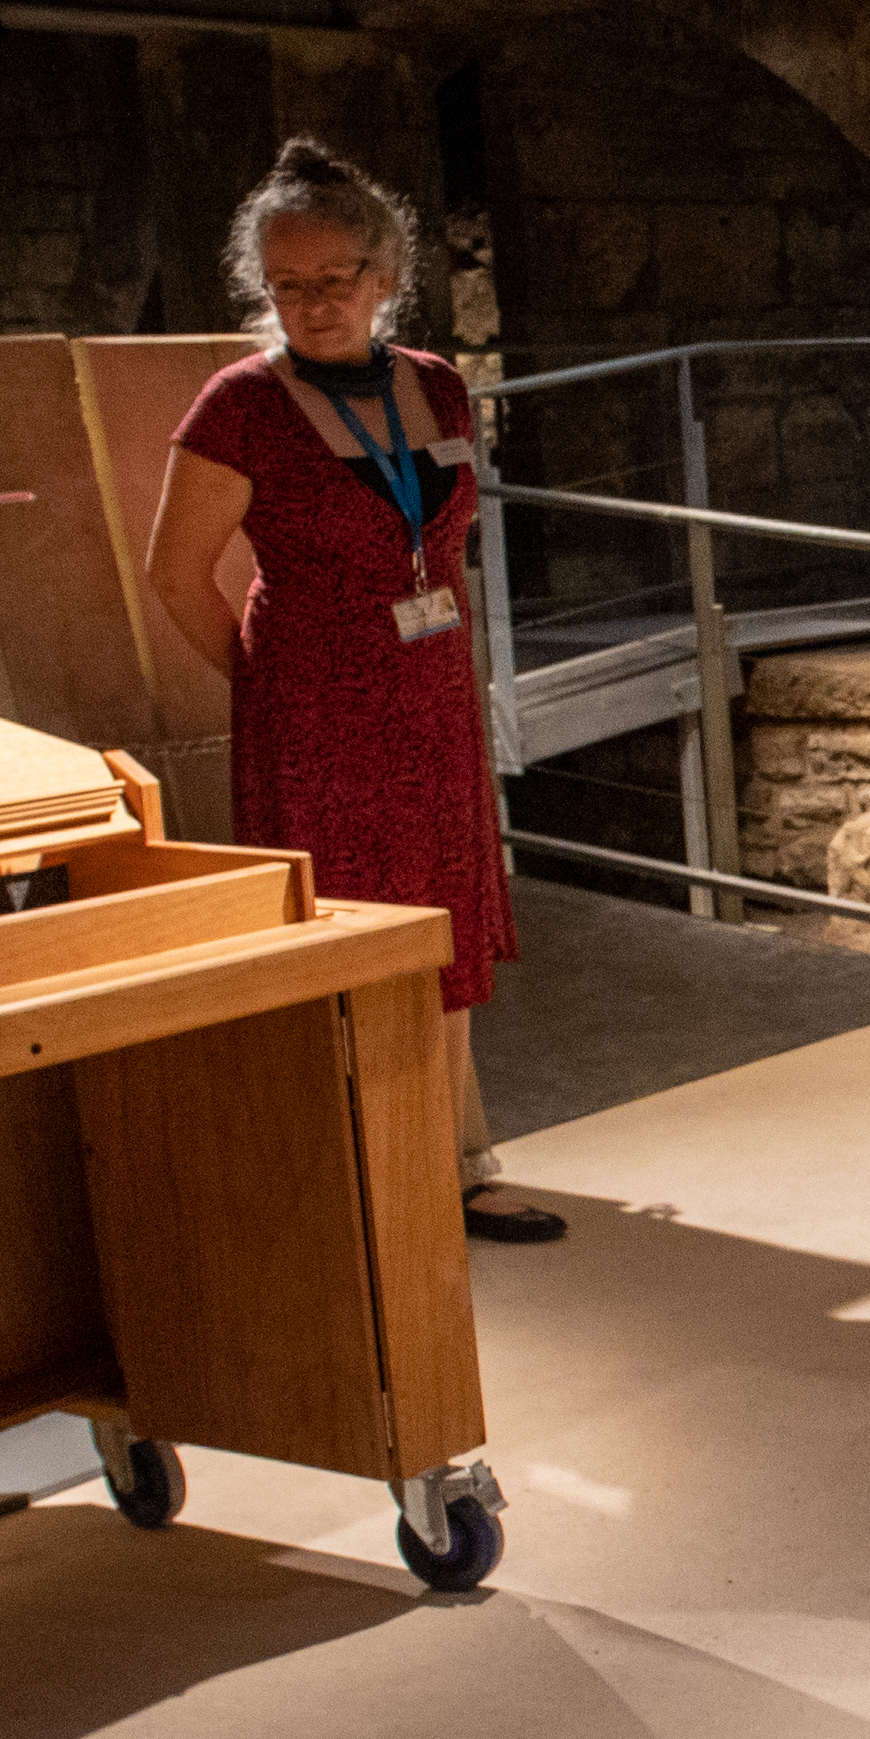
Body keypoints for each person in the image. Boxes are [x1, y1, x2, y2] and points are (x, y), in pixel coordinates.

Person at [143, 138, 548, 1243]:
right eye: (286, 287)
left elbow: (445, 552)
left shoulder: (434, 384)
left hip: (429, 697)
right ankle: (358, 1168)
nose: (310, 306)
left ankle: (455, 1162)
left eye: (332, 282)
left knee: (444, 919)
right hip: (317, 712)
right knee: (348, 930)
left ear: (383, 276)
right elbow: (175, 574)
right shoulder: (238, 405)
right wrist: (266, 679)